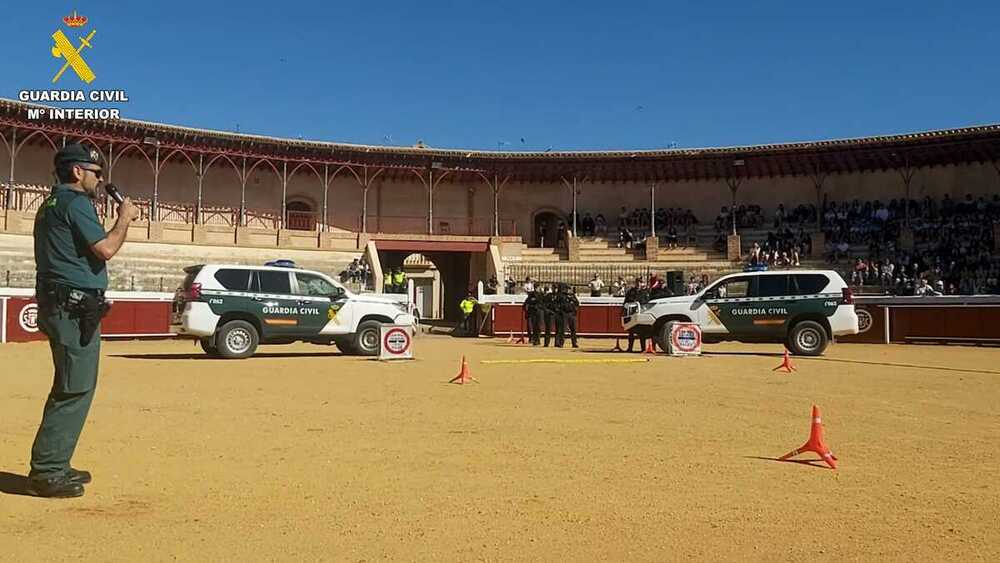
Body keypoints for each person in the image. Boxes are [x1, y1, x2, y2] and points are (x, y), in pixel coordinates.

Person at [28, 143, 140, 498]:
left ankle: (56, 461)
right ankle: (48, 470)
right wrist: (123, 218)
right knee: (74, 387)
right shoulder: (77, 204)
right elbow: (105, 249)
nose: (100, 179)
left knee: (71, 383)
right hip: (73, 308)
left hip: (59, 303)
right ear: (78, 172)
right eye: (96, 172)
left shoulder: (50, 204)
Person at [558, 284, 580, 348]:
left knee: (573, 329)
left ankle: (574, 343)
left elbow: (577, 303)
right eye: (567, 288)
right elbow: (559, 304)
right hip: (565, 313)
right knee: (563, 329)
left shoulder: (572, 296)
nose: (568, 290)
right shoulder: (562, 296)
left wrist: (574, 309)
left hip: (571, 314)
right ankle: (561, 343)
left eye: (569, 289)